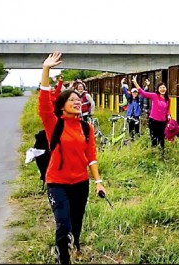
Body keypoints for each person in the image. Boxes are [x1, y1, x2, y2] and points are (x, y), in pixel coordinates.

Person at [38, 51, 106, 264]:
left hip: (80, 182)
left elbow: (91, 157)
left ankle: (75, 243)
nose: (77, 102)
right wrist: (46, 69)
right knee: (63, 223)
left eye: (79, 100)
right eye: (72, 100)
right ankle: (63, 258)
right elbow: (43, 102)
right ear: (62, 105)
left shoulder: (86, 128)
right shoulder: (54, 123)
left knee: (76, 221)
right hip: (57, 183)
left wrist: (98, 182)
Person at [132, 77, 171, 151]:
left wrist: (168, 115)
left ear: (166, 89)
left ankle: (161, 154)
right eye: (161, 87)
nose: (162, 89)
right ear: (158, 89)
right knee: (154, 138)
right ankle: (153, 152)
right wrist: (135, 83)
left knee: (161, 138)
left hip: (163, 122)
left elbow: (167, 110)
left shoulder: (168, 99)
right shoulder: (154, 96)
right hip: (153, 121)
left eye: (164, 87)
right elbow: (143, 93)